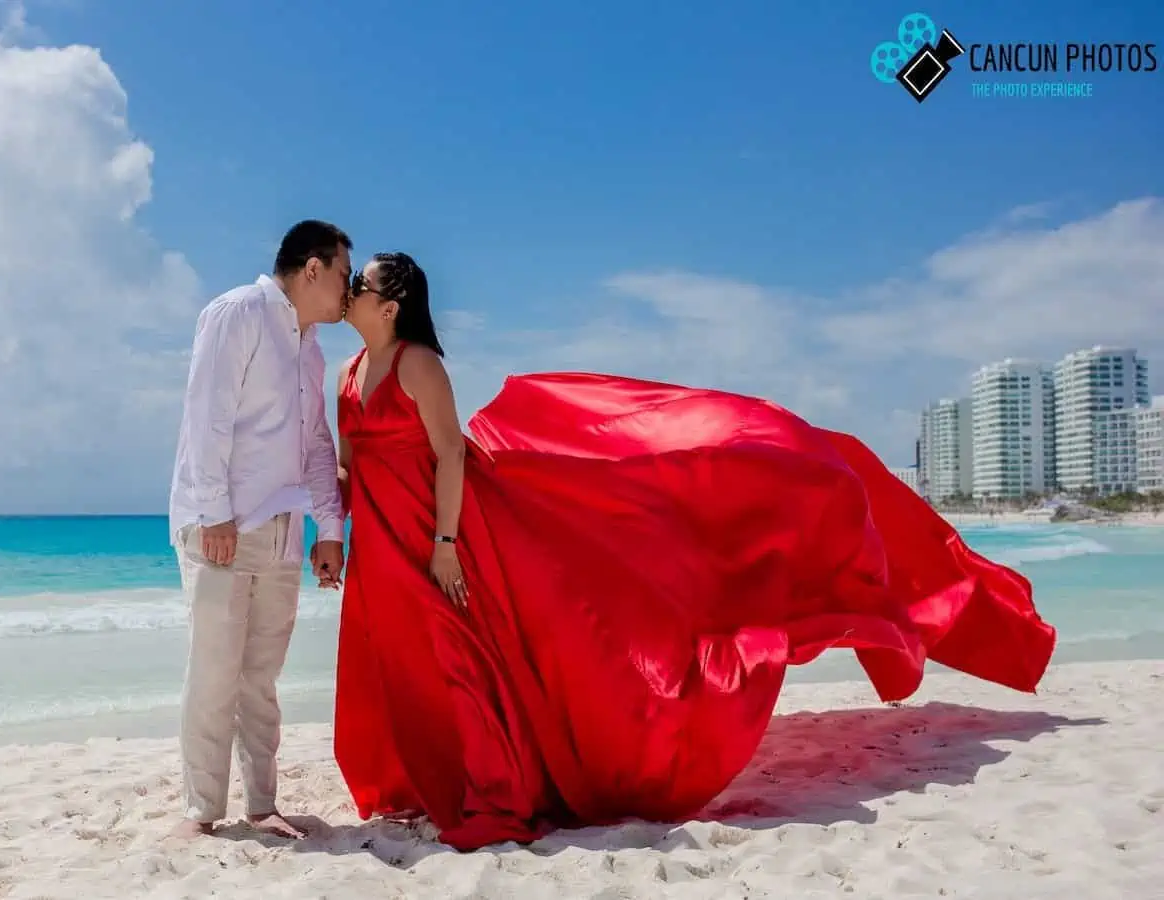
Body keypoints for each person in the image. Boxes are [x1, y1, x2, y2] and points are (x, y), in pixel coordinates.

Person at [333, 251, 1057, 850]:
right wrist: (335, 539)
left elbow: (451, 459)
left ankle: (493, 789)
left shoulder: (419, 366)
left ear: (391, 303)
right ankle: (425, 779)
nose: (348, 293)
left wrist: (449, 544)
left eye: (358, 285)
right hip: (386, 549)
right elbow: (347, 468)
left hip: (450, 537)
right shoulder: (348, 375)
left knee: (467, 657)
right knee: (404, 657)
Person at [167, 220, 352, 840]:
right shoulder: (238, 312)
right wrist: (213, 509)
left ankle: (262, 805)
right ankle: (201, 813)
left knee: (261, 678)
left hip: (281, 531)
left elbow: (317, 444)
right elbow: (206, 416)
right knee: (214, 671)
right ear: (312, 269)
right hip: (222, 525)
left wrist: (328, 527)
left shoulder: (311, 345)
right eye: (344, 275)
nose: (347, 290)